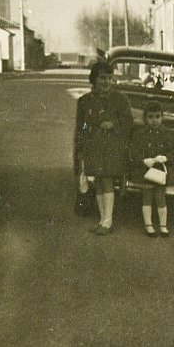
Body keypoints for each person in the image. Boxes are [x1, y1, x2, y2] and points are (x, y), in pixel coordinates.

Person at [74, 61, 133, 235]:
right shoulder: (85, 101)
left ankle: (108, 221)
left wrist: (113, 124)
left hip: (112, 147)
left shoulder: (121, 99)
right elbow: (82, 126)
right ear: (94, 79)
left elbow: (128, 122)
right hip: (93, 146)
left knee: (106, 180)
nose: (106, 82)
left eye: (109, 78)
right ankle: (102, 220)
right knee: (98, 181)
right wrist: (82, 146)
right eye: (102, 78)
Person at [130, 101, 174, 237]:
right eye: (150, 117)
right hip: (145, 170)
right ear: (145, 118)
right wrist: (143, 161)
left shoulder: (169, 134)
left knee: (160, 195)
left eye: (157, 116)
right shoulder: (140, 134)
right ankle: (148, 224)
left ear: (162, 117)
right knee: (147, 195)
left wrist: (166, 157)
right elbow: (133, 151)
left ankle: (163, 225)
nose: (154, 120)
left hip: (162, 171)